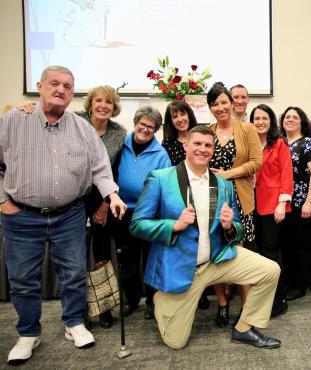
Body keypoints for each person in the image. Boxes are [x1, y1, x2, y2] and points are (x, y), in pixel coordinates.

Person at [0, 65, 127, 365]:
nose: (60, 90)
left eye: (67, 86)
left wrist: (113, 195)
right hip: (22, 217)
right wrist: (3, 201)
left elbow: (100, 169)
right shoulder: (14, 121)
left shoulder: (82, 128)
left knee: (72, 274)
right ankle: (28, 333)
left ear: (72, 93)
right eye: (54, 84)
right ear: (40, 86)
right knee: (22, 279)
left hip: (69, 214)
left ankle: (73, 323)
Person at [129, 125, 281, 350]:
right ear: (186, 145)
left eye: (208, 145)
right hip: (182, 267)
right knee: (176, 342)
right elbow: (137, 225)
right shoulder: (160, 178)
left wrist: (230, 227)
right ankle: (160, 299)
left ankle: (244, 328)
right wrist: (174, 225)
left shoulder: (224, 184)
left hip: (219, 260)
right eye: (197, 144)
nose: (202, 149)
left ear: (213, 149)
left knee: (270, 270)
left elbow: (238, 227)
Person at [207, 83, 262, 326]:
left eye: (224, 102)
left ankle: (247, 307)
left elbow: (256, 162)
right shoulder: (206, 131)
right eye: (215, 104)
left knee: (243, 254)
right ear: (210, 108)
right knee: (216, 250)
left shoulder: (246, 129)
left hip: (241, 199)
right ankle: (222, 303)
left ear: (232, 103)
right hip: (212, 200)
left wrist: (228, 174)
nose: (221, 107)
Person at [114, 106, 171, 320]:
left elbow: (164, 184)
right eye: (143, 125)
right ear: (135, 123)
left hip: (150, 213)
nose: (146, 129)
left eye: (151, 127)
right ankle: (131, 299)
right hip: (123, 211)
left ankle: (151, 300)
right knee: (127, 257)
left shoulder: (161, 153)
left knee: (150, 259)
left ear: (156, 130)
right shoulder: (120, 144)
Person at [251, 104, 293, 317]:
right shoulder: (249, 143)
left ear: (271, 121)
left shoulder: (279, 144)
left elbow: (287, 174)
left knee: (271, 253)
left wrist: (281, 204)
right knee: (257, 253)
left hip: (273, 206)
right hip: (252, 205)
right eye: (256, 118)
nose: (260, 122)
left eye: (264, 118)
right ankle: (261, 299)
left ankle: (279, 298)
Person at [279, 106, 311, 301]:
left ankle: (301, 284)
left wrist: (309, 202)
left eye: (294, 117)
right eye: (287, 117)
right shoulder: (279, 143)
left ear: (301, 122)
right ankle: (288, 281)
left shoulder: (308, 144)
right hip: (283, 203)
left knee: (301, 245)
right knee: (286, 245)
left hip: (301, 203)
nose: (290, 120)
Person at [161, 100, 198, 166]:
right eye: (175, 117)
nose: (180, 119)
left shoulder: (200, 137)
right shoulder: (167, 143)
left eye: (182, 114)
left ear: (189, 116)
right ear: (171, 121)